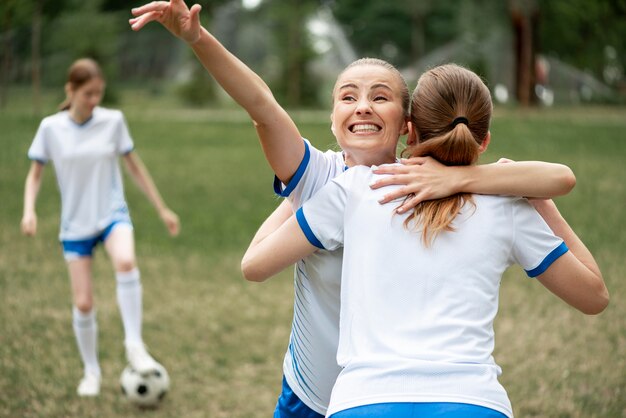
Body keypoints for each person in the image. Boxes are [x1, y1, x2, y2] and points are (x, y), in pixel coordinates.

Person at [129, 2, 575, 416]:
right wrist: (198, 39)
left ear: (408, 124)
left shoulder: (426, 186)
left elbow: (549, 180)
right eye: (347, 96)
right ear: (332, 118)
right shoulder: (319, 176)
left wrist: (463, 177)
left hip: (379, 393)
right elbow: (262, 106)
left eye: (380, 96)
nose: (362, 105)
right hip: (314, 391)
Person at [241, 63, 609, 417]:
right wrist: (533, 197)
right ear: (484, 142)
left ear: (410, 131)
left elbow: (255, 265)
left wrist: (301, 197)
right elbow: (594, 297)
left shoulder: (357, 189)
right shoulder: (509, 209)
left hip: (363, 402)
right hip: (473, 404)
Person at [21, 58, 180, 397]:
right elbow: (35, 175)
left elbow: (135, 169)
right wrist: (29, 210)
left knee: (125, 261)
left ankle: (135, 344)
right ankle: (91, 371)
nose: (94, 100)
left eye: (99, 94)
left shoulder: (113, 121)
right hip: (75, 224)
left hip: (111, 214)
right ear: (71, 90)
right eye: (88, 94)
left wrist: (162, 208)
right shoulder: (51, 128)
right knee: (83, 303)